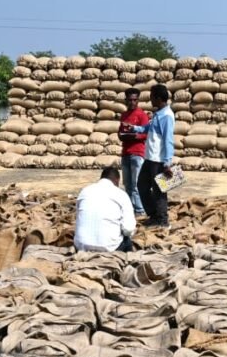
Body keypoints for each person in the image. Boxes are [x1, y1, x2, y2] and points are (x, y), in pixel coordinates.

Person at [129, 84, 175, 227]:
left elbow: (168, 140)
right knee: (142, 185)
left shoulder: (167, 116)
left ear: (159, 98)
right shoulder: (158, 114)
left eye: (151, 97)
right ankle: (154, 215)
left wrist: (167, 163)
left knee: (159, 191)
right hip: (149, 158)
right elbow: (149, 128)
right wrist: (135, 128)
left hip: (159, 160)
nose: (150, 100)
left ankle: (162, 220)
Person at [74, 166, 136, 252]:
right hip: (110, 247)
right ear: (117, 180)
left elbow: (78, 217)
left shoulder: (84, 191)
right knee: (127, 238)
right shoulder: (121, 194)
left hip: (81, 245)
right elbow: (128, 229)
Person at [118, 87, 149, 216]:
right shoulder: (124, 115)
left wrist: (134, 136)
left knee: (136, 184)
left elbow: (146, 133)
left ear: (138, 100)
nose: (132, 102)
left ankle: (139, 210)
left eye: (134, 100)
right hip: (126, 152)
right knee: (127, 184)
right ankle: (130, 209)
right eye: (130, 100)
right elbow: (120, 133)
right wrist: (123, 136)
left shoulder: (142, 115)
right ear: (126, 100)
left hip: (137, 153)